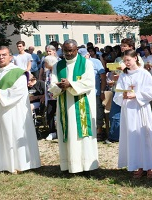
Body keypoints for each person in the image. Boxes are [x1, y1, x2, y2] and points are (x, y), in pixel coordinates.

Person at [0, 46, 41, 174]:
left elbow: (19, 91)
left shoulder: (18, 72)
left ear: (10, 56)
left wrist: (0, 93)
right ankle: (4, 164)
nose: (1, 57)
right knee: (3, 136)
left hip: (15, 110)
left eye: (4, 55)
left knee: (15, 135)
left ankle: (21, 164)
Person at [49, 39, 100, 173]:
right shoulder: (58, 65)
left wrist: (71, 84)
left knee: (82, 135)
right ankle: (69, 165)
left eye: (71, 50)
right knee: (68, 133)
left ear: (76, 49)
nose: (68, 53)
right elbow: (52, 84)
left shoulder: (86, 64)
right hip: (64, 104)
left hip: (81, 104)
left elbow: (89, 82)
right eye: (65, 51)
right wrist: (60, 86)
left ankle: (88, 166)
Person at [114, 49, 152, 178]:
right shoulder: (123, 75)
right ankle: (138, 165)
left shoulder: (144, 74)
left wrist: (136, 95)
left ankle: (150, 167)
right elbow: (117, 93)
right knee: (133, 138)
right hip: (128, 110)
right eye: (124, 61)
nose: (126, 63)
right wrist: (122, 95)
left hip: (141, 109)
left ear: (135, 58)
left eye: (128, 60)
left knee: (144, 136)